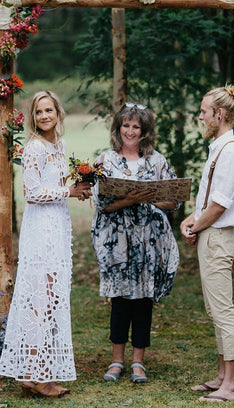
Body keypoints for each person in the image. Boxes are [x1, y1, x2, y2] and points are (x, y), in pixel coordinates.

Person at [0, 90, 92, 398]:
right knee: (40, 303)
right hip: (40, 231)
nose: (44, 116)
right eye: (39, 112)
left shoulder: (59, 145)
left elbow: (56, 185)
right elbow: (33, 193)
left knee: (51, 302)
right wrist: (69, 192)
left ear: (58, 113)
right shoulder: (34, 148)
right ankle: (35, 376)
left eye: (49, 110)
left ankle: (39, 372)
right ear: (34, 118)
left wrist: (78, 186)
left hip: (58, 228)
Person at [92, 102, 180, 384]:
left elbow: (173, 200)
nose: (130, 131)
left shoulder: (157, 161)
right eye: (126, 125)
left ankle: (138, 362)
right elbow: (101, 205)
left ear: (145, 131)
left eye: (136, 126)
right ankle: (117, 359)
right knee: (119, 300)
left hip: (148, 239)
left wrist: (150, 196)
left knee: (143, 300)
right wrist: (128, 200)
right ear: (119, 128)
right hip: (117, 240)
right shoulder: (105, 160)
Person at [180, 85, 234, 403]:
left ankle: (231, 386)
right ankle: (221, 376)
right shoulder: (218, 147)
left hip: (219, 237)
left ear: (219, 114)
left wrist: (197, 226)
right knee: (213, 309)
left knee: (223, 310)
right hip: (210, 234)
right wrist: (192, 220)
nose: (200, 116)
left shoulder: (231, 151)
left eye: (204, 111)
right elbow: (208, 200)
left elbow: (220, 205)